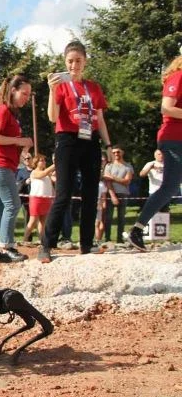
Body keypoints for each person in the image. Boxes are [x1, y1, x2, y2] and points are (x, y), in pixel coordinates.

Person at [38, 41, 114, 263]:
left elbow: (99, 118)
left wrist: (108, 145)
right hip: (67, 139)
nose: (74, 65)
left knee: (91, 194)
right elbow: (53, 117)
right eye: (70, 61)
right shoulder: (60, 86)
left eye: (78, 61)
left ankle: (87, 244)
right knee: (64, 193)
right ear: (65, 62)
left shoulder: (93, 87)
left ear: (85, 62)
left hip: (90, 140)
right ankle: (46, 245)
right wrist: (52, 91)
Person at [125, 54, 182, 250]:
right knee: (169, 186)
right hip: (174, 138)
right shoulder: (178, 76)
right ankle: (137, 230)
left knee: (170, 186)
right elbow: (166, 108)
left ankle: (137, 230)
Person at [0, 74, 34, 263]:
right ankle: (7, 246)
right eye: (24, 93)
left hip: (3, 164)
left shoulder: (11, 114)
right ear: (13, 91)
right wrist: (20, 141)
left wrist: (22, 151)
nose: (27, 98)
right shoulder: (3, 111)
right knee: (13, 205)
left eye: (29, 95)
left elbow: (5, 142)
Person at [101, 146, 133, 243]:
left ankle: (120, 239)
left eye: (118, 152)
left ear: (122, 153)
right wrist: (113, 195)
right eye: (114, 152)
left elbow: (127, 181)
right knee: (108, 218)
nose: (116, 154)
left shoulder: (128, 166)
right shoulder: (109, 166)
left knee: (121, 218)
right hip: (110, 194)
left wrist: (113, 178)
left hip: (123, 193)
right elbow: (107, 181)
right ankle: (107, 238)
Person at [23, 154, 55, 243]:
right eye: (41, 160)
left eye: (44, 160)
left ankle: (42, 240)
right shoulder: (34, 172)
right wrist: (55, 164)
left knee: (43, 222)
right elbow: (43, 174)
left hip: (47, 199)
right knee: (33, 221)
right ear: (36, 163)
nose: (44, 162)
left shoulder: (47, 173)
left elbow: (52, 182)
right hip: (36, 199)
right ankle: (24, 240)